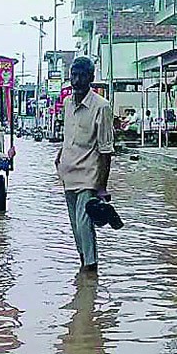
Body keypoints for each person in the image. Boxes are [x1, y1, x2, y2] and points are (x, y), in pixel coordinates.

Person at [55, 57, 114, 273]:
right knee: (75, 228)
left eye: (82, 76)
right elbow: (69, 135)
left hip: (89, 175)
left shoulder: (101, 106)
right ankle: (84, 266)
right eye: (74, 76)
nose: (77, 81)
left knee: (84, 224)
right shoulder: (68, 103)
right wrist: (60, 156)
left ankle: (90, 270)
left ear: (91, 78)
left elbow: (106, 150)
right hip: (68, 173)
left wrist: (102, 187)